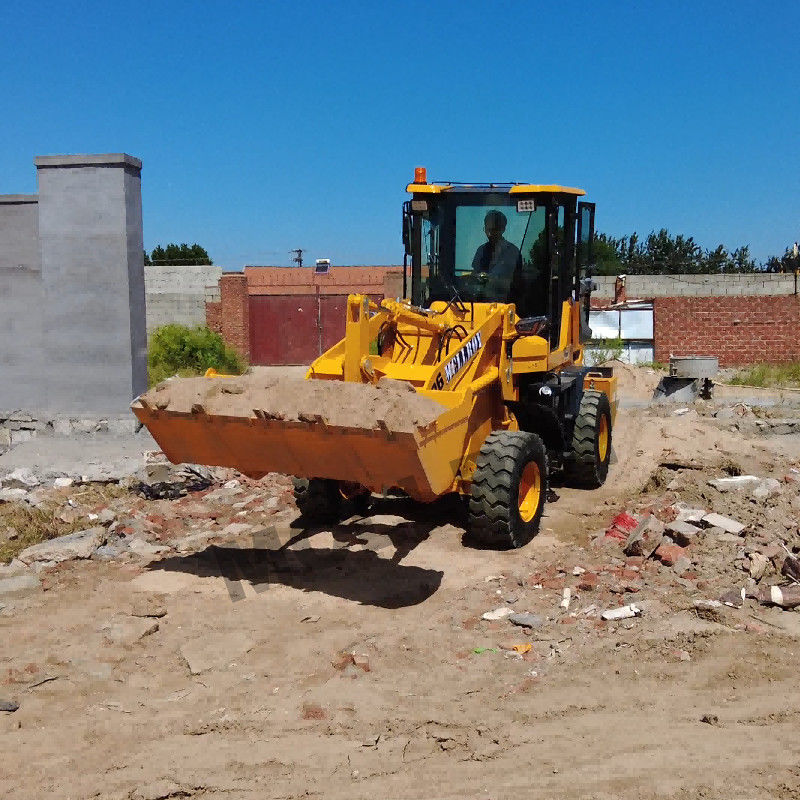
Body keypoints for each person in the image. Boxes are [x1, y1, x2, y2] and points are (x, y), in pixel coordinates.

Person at [471, 210, 522, 281]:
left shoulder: (513, 252)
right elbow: (474, 273)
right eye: (487, 230)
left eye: (493, 230)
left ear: (502, 229)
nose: (489, 234)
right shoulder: (481, 250)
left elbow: (517, 279)